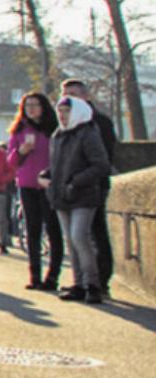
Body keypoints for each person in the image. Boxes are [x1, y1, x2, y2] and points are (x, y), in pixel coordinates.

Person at [46, 97, 110, 304]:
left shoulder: (88, 132)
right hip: (62, 194)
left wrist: (76, 181)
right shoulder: (57, 135)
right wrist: (48, 176)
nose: (62, 116)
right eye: (60, 111)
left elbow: (101, 165)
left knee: (79, 237)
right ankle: (79, 284)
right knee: (72, 242)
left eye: (66, 111)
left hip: (83, 195)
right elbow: (58, 165)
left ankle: (93, 284)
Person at [60, 80, 117, 300]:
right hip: (71, 189)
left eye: (73, 95)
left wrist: (81, 178)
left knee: (96, 234)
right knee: (77, 237)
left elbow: (104, 159)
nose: (69, 99)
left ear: (86, 96)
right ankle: (82, 282)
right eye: (65, 95)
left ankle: (101, 282)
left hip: (93, 186)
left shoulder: (99, 122)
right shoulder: (65, 125)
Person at [7, 92, 63, 292]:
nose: (31, 109)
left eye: (35, 105)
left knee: (53, 230)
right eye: (27, 105)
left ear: (43, 107)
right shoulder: (19, 130)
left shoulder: (53, 130)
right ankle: (35, 275)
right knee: (32, 230)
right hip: (27, 184)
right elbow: (11, 161)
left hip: (48, 185)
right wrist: (21, 151)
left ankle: (53, 276)